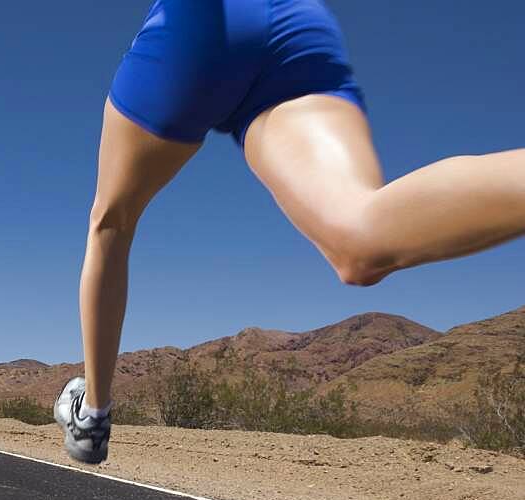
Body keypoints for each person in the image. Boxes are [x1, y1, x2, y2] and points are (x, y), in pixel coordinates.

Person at [55, 0, 525, 464]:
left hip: (193, 28)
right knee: (358, 236)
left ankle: (92, 414)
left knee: (110, 222)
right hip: (292, 24)